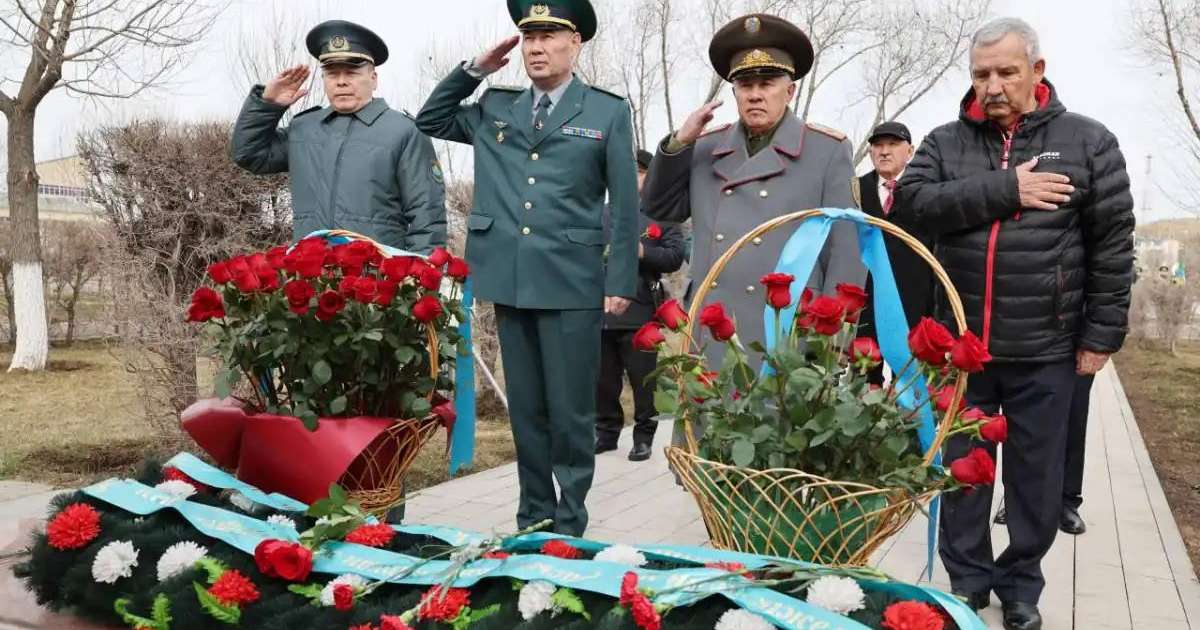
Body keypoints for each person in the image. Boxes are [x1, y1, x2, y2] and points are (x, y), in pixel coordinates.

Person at [893, 17, 1135, 630]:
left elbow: (1112, 245)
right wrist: (1008, 189)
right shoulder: (945, 143)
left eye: (1006, 71)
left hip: (1047, 350)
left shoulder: (1089, 142)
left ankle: (1022, 581)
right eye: (981, 74)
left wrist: (1100, 337)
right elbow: (913, 204)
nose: (993, 85)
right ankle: (967, 583)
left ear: (1037, 70)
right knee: (963, 478)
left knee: (1035, 481)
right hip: (962, 351)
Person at [416, 0, 638, 537]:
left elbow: (626, 206)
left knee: (570, 412)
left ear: (575, 43)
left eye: (548, 36)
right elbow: (431, 119)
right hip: (510, 278)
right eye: (528, 37)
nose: (536, 48)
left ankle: (570, 522)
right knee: (527, 412)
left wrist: (620, 280)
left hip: (572, 281)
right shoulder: (497, 105)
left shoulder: (605, 111)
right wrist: (475, 70)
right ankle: (532, 515)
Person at [640, 13, 866, 447]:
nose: (756, 95)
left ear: (790, 89)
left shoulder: (826, 150)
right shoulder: (706, 147)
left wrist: (837, 334)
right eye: (746, 85)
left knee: (778, 461)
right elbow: (660, 208)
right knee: (712, 460)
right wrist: (677, 145)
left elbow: (845, 247)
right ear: (735, 91)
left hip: (787, 335)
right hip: (713, 328)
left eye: (767, 83)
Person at [230, 20, 447, 254]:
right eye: (332, 73)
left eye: (352, 72)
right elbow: (248, 154)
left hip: (378, 278)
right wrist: (267, 105)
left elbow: (427, 214)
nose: (341, 81)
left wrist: (417, 277)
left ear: (374, 79)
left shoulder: (403, 131)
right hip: (309, 276)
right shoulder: (303, 128)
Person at [595, 149, 686, 462]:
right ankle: (606, 432)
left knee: (642, 379)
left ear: (650, 176)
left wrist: (642, 252)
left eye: (638, 171)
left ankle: (644, 436)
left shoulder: (664, 215)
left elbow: (676, 257)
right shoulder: (600, 213)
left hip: (640, 308)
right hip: (599, 308)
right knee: (602, 379)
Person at [855, 121, 933, 385]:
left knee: (913, 389)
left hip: (916, 303)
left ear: (910, 151)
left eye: (893, 145)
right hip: (867, 304)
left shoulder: (926, 189)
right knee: (864, 387)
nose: (884, 151)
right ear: (870, 153)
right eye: (878, 145)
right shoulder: (854, 191)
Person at [995, 373, 1093, 535]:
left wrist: (1099, 347)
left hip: (1074, 351)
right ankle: (1019, 499)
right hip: (1026, 351)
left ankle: (1067, 500)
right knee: (1024, 415)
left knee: (1074, 412)